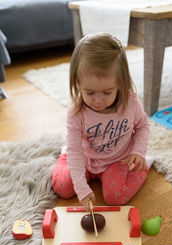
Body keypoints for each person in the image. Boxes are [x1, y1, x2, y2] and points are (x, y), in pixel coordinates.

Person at [52, 32, 150, 210]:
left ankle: (143, 166)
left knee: (114, 198)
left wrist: (139, 152)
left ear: (120, 83)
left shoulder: (131, 103)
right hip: (85, 160)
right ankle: (63, 159)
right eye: (89, 93)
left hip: (118, 161)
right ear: (77, 82)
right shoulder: (76, 112)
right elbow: (76, 151)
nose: (98, 100)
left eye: (107, 92)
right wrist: (81, 188)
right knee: (62, 187)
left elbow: (143, 126)